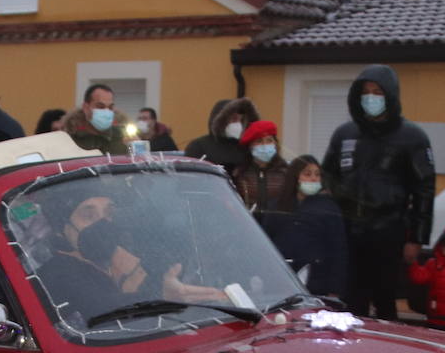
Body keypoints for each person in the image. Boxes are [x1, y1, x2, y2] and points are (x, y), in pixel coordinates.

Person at [322, 65, 435, 320]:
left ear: (390, 96)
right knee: (351, 298)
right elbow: (327, 174)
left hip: (389, 230)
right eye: (365, 92)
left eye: (377, 92)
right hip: (349, 230)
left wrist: (417, 238)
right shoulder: (345, 133)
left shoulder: (412, 137)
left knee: (385, 299)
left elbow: (424, 190)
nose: (370, 98)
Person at [35, 190, 226, 323]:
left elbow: (167, 279)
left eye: (109, 214)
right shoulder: (55, 274)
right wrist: (158, 298)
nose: (103, 223)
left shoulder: (125, 256)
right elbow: (98, 308)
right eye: (88, 216)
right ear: (60, 229)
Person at [260, 155, 347, 298]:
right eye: (307, 174)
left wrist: (335, 288)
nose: (313, 179)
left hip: (317, 283)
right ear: (295, 177)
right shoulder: (276, 206)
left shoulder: (329, 208)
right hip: (282, 282)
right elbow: (265, 245)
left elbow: (339, 250)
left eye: (317, 175)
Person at [183, 98, 257, 170]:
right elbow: (191, 174)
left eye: (241, 120)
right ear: (221, 121)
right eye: (234, 119)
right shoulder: (199, 146)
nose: (238, 124)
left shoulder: (247, 147)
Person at [233, 120, 288, 215]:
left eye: (269, 140)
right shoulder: (239, 173)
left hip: (277, 225)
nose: (265, 145)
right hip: (249, 225)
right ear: (250, 146)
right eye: (259, 141)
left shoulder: (286, 172)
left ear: (275, 144)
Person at [62, 84, 130, 155]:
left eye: (110, 107)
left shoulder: (123, 138)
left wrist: (134, 148)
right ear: (86, 108)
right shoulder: (69, 139)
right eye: (100, 106)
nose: (106, 111)